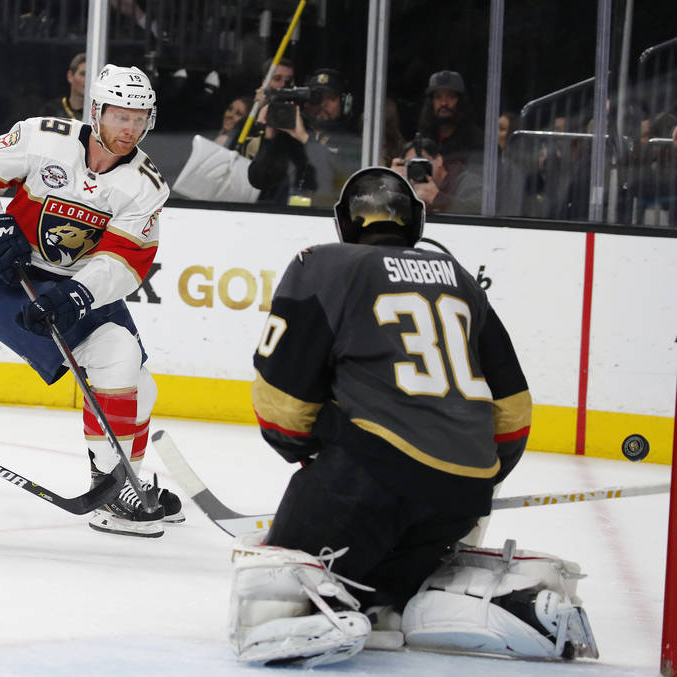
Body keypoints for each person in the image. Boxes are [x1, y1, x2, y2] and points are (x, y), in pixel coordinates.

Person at [228, 167, 596, 666]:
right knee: (388, 603)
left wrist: (319, 455)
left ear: (344, 222)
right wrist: (477, 476)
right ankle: (414, 604)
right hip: (461, 500)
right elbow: (513, 410)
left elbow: (282, 403)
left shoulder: (324, 265)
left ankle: (321, 600)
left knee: (273, 591)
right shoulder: (459, 278)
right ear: (415, 221)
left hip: (368, 483)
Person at [0, 64, 182, 538]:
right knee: (117, 359)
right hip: (18, 283)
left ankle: (127, 481)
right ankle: (112, 488)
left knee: (141, 386)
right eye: (120, 116)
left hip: (80, 287)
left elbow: (125, 261)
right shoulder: (40, 137)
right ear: (96, 112)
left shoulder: (146, 185)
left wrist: (78, 293)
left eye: (139, 119)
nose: (130, 129)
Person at [247, 68, 361, 207]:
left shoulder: (352, 140)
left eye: (330, 98)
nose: (322, 104)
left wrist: (305, 139)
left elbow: (346, 179)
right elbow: (258, 180)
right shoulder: (288, 137)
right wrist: (269, 137)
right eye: (316, 98)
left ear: (344, 103)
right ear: (305, 103)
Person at [392, 136, 483, 214]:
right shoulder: (408, 185)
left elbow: (480, 209)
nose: (418, 168)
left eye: (423, 162)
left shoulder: (466, 181)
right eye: (411, 163)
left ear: (439, 160)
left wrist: (436, 197)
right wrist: (392, 181)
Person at [417, 70, 483, 173]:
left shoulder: (477, 141)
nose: (444, 103)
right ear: (431, 103)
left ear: (461, 101)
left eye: (451, 96)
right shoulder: (423, 139)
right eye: (438, 97)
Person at [37, 52, 86, 121]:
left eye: (90, 75)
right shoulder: (51, 110)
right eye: (83, 74)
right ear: (70, 76)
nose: (87, 79)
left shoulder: (100, 114)